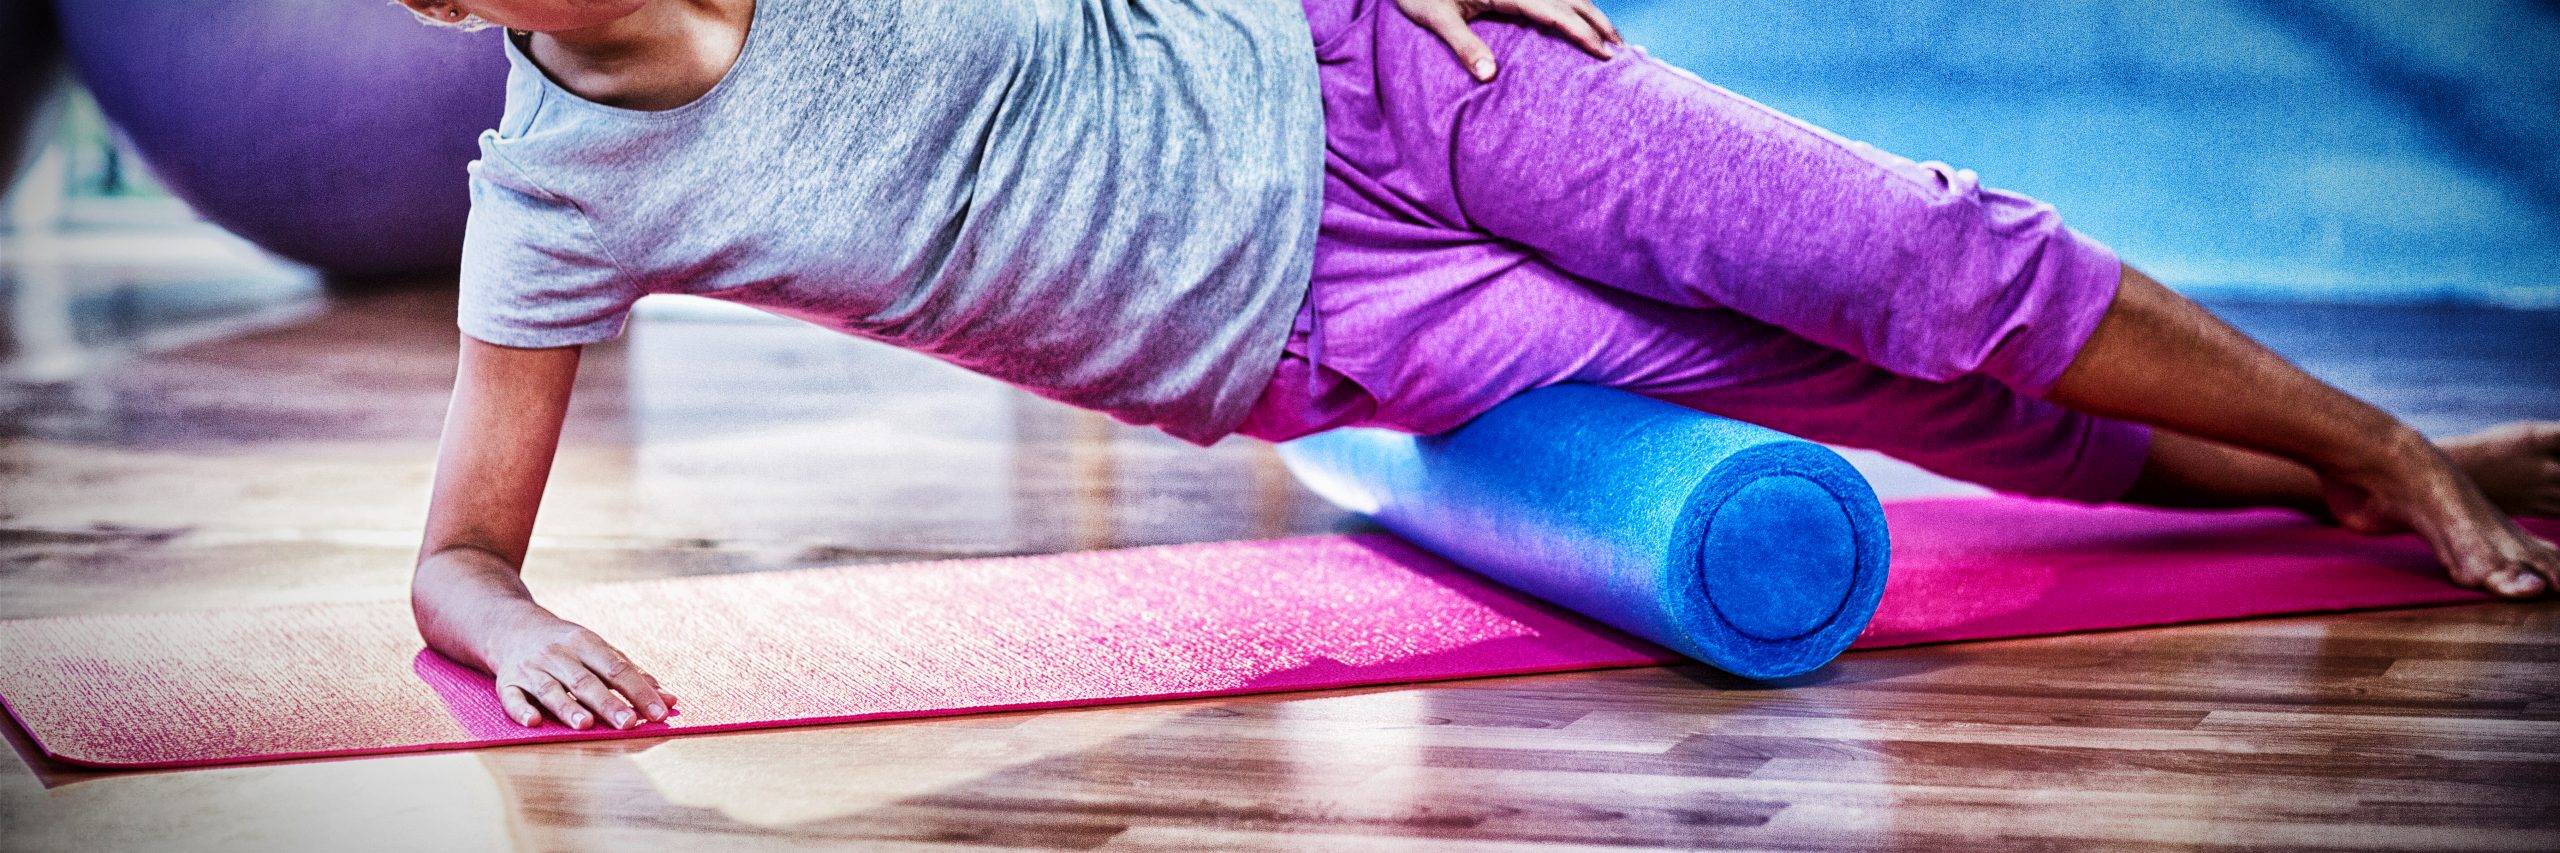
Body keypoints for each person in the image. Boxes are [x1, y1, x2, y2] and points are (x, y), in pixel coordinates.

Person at [396, 0, 2560, 732]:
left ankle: (2371, 439)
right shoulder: (562, 196)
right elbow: (459, 553)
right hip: (1323, 330)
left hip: (1369, 70)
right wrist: (514, 626)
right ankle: (2342, 480)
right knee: (1890, 400)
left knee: (1908, 249)